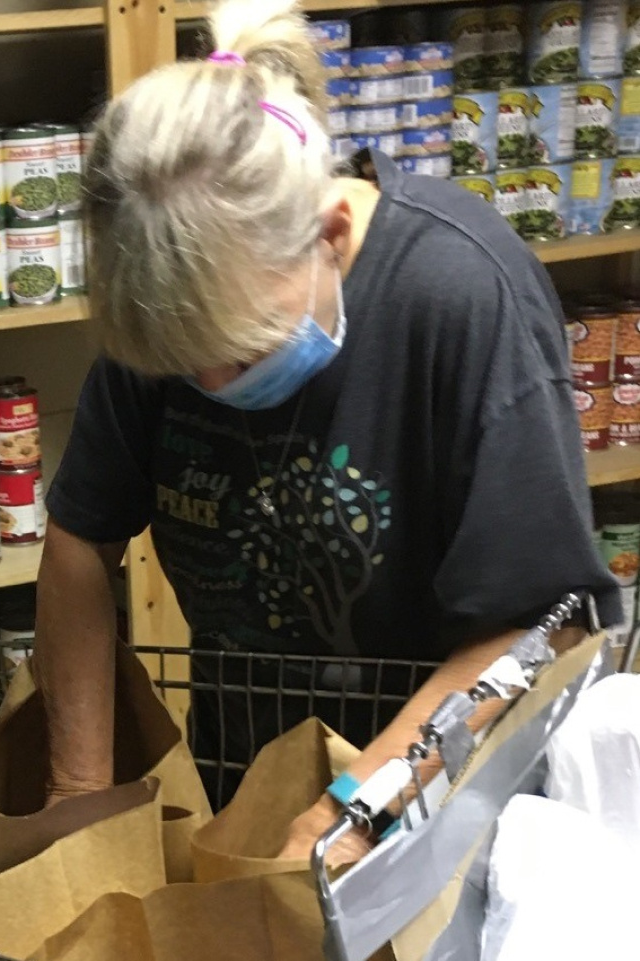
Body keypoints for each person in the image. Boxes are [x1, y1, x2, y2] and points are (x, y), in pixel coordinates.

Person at [33, 0, 621, 861]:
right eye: (180, 363)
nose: (210, 386)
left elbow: (542, 625)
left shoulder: (460, 296)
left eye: (238, 353)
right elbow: (81, 540)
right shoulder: (170, 300)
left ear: (332, 235)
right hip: (246, 774)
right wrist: (79, 794)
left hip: (450, 808)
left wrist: (354, 811)